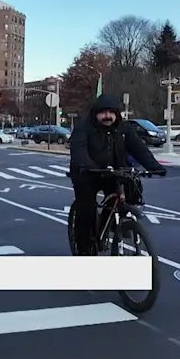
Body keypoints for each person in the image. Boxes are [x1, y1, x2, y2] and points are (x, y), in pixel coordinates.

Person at [69, 94, 166, 255]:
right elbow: (79, 150)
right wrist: (88, 165)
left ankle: (119, 224)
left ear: (117, 114)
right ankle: (84, 249)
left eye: (111, 112)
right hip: (87, 173)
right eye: (103, 112)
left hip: (113, 171)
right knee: (86, 210)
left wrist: (155, 167)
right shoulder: (84, 128)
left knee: (131, 189)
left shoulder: (124, 128)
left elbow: (139, 149)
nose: (108, 116)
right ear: (95, 113)